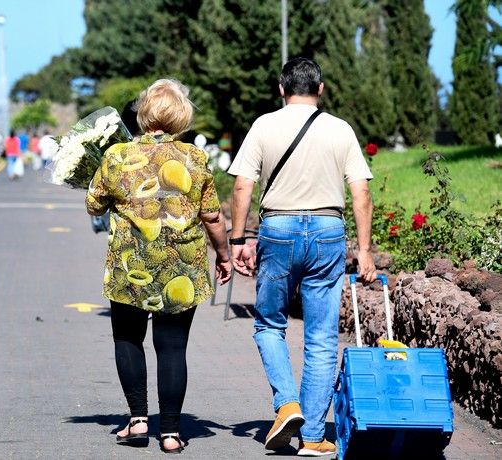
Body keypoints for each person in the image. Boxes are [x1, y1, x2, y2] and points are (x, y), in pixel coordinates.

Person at [228, 57, 376, 457]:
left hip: (277, 230)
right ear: (321, 89)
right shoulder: (340, 129)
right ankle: (312, 436)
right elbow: (361, 191)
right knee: (322, 336)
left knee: (269, 324)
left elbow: (243, 186)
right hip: (329, 232)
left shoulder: (264, 125)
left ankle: (287, 404)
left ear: (281, 88)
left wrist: (239, 238)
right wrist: (363, 251)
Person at [85, 78, 232, 454]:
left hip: (130, 262)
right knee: (172, 348)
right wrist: (224, 254)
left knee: (128, 339)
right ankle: (169, 432)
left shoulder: (116, 155)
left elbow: (94, 205)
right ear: (182, 116)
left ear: (143, 114)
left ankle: (137, 422)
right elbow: (212, 215)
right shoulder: (195, 158)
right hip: (181, 264)